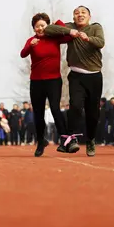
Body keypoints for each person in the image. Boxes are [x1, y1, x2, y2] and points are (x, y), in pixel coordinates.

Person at [44, 5, 105, 157]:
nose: (80, 15)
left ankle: (90, 139)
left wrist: (88, 38)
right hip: (76, 76)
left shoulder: (95, 28)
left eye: (83, 12)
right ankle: (71, 139)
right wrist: (68, 31)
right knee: (75, 106)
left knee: (93, 114)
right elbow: (49, 29)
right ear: (73, 17)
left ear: (89, 16)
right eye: (76, 13)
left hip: (95, 76)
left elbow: (101, 42)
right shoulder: (70, 27)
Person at [20, 13, 74, 157]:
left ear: (48, 26)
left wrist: (57, 24)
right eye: (37, 26)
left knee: (56, 109)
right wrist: (30, 46)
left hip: (54, 80)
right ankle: (40, 141)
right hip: (36, 82)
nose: (40, 28)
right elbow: (23, 54)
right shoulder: (31, 41)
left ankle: (65, 139)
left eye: (43, 25)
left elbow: (69, 35)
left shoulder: (54, 38)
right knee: (38, 113)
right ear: (34, 28)